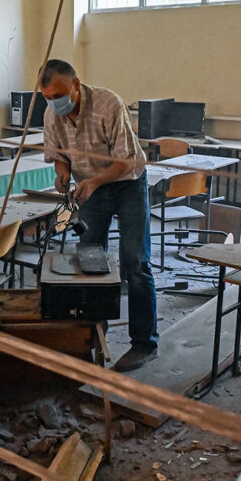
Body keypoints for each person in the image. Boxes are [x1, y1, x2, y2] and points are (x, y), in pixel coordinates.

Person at [39, 59, 158, 372]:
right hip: (90, 187)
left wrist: (93, 181)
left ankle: (145, 342)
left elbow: (125, 161)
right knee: (90, 258)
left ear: (76, 85)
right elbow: (60, 157)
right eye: (48, 97)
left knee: (135, 261)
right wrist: (62, 174)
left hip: (128, 183)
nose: (54, 103)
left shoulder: (109, 105)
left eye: (59, 95)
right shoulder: (52, 114)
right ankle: (92, 334)